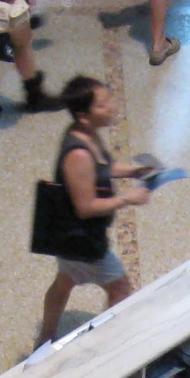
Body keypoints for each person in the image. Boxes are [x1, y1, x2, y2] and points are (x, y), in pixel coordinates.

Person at [36, 77, 152, 344]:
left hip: (71, 238)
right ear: (83, 115)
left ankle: (45, 337)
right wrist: (128, 199)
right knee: (121, 289)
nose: (111, 107)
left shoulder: (87, 135)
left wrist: (134, 170)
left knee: (64, 282)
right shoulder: (77, 154)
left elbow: (102, 169)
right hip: (82, 240)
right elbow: (86, 207)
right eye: (102, 104)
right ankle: (107, 346)